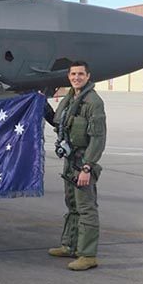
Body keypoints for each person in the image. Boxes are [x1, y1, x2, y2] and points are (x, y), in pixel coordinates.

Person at [48, 61, 106, 271]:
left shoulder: (93, 102)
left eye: (81, 74)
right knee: (72, 205)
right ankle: (70, 245)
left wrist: (87, 167)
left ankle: (88, 255)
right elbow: (59, 124)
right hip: (70, 160)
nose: (76, 77)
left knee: (86, 208)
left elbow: (98, 138)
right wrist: (38, 104)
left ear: (88, 76)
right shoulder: (70, 98)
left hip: (82, 162)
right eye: (73, 74)